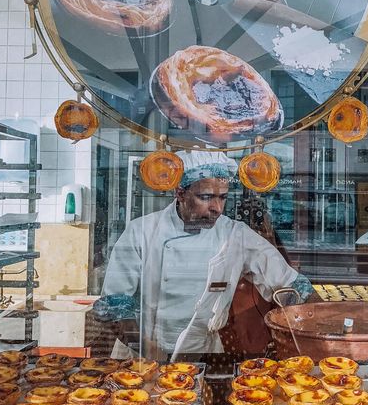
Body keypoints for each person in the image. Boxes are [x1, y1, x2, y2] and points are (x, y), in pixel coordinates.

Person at [95, 151, 314, 358]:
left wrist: (325, 319)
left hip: (203, 353)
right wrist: (146, 348)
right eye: (206, 197)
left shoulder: (235, 235)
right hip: (141, 354)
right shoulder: (141, 231)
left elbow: (291, 286)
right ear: (180, 193)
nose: (217, 208)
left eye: (223, 198)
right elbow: (114, 306)